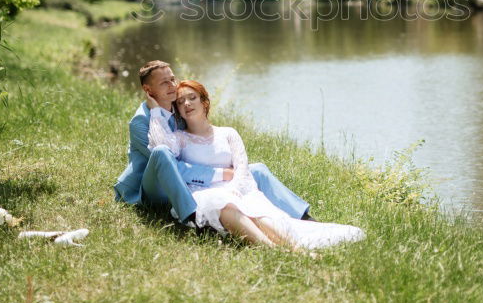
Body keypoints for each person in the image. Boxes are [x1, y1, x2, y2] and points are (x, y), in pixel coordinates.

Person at [148, 79, 365, 250]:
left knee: (259, 212)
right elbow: (161, 151)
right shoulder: (179, 138)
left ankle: (294, 247)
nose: (186, 104)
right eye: (180, 102)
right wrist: (156, 108)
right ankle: (273, 250)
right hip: (204, 194)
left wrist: (235, 191)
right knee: (224, 203)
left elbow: (242, 168)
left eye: (192, 98)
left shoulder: (228, 133)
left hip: (237, 189)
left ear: (204, 102)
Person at [113, 60, 311, 226]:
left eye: (172, 79)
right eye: (164, 83)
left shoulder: (178, 108)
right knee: (163, 152)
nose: (172, 86)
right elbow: (169, 166)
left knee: (256, 170)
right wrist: (222, 173)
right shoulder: (141, 122)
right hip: (153, 188)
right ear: (148, 90)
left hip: (187, 181)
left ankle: (303, 216)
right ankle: (191, 216)